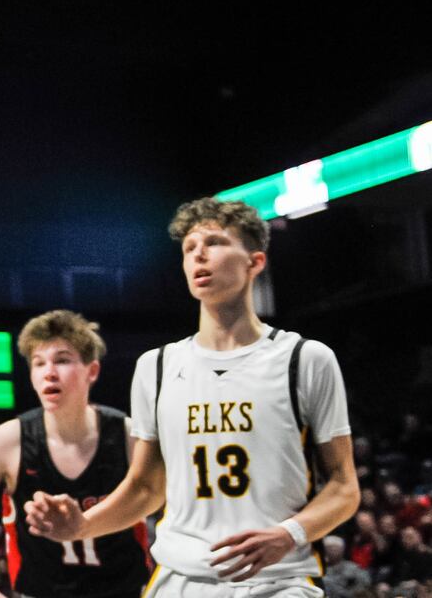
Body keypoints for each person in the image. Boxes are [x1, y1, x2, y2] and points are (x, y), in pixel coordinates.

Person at [26, 197, 360, 597]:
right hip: (180, 580)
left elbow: (344, 487)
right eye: (188, 248)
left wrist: (288, 534)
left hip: (277, 580)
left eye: (215, 243)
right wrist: (82, 526)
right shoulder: (157, 366)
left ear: (255, 262)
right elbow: (147, 487)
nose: (198, 254)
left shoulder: (305, 359)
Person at [0, 309, 150, 598]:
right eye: (38, 363)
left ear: (92, 371)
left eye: (62, 360)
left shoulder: (129, 435)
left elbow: (174, 502)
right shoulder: (6, 441)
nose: (49, 372)